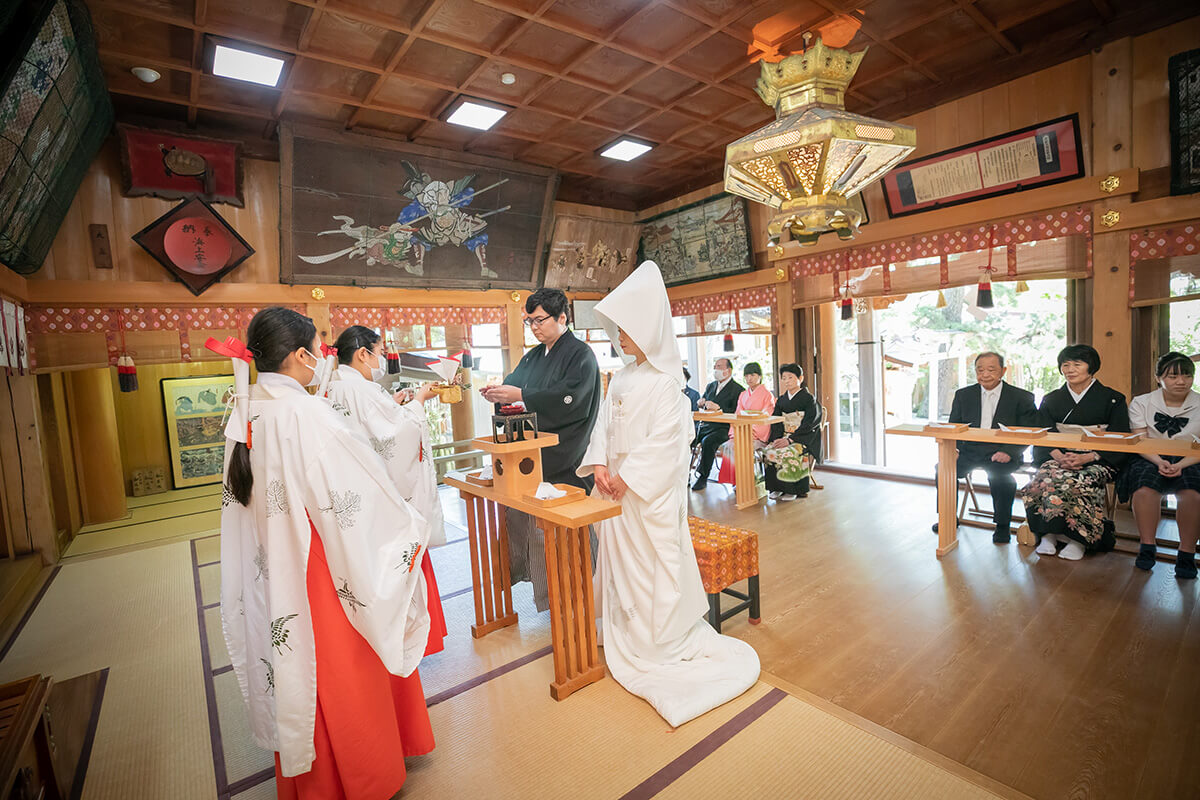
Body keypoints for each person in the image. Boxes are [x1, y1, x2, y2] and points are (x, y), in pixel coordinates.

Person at [214, 308, 433, 798]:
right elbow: (358, 489)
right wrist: (404, 522)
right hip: (319, 565)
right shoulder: (306, 413)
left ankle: (314, 783)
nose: (324, 357)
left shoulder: (247, 408)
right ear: (299, 356)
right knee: (342, 672)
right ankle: (364, 776)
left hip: (273, 563)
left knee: (295, 671)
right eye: (319, 347)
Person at [578, 261, 760, 726]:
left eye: (629, 329)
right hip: (614, 492)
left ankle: (657, 640)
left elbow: (668, 444)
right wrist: (600, 464)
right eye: (618, 330)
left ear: (650, 329)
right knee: (618, 567)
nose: (621, 338)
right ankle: (625, 630)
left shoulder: (667, 384)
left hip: (645, 497)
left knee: (653, 566)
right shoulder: (619, 378)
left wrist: (628, 477)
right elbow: (603, 426)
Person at [325, 324, 448, 654]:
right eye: (380, 353)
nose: (382, 360)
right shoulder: (363, 390)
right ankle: (408, 637)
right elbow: (396, 436)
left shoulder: (335, 387)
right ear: (363, 354)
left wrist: (392, 403)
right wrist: (419, 400)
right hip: (381, 495)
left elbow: (371, 427)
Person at [479, 288, 601, 612]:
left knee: (562, 527)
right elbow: (516, 384)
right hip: (531, 453)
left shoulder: (581, 355)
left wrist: (520, 393)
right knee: (524, 522)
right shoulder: (534, 356)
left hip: (564, 451)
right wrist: (498, 393)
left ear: (562, 317)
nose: (534, 327)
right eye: (529, 321)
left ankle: (577, 590)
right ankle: (545, 586)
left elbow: (569, 401)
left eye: (540, 320)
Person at [1024, 344, 1130, 560]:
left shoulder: (1113, 399)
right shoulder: (1052, 399)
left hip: (1098, 457)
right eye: (1065, 365)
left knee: (1076, 481)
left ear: (1091, 367)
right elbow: (1043, 433)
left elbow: (1120, 436)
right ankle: (1049, 535)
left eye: (1077, 364)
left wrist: (1088, 456)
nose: (1070, 369)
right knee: (1045, 478)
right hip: (1059, 456)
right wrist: (1059, 456)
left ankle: (1078, 540)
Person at [932, 352, 1038, 543]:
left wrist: (1009, 451)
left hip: (1002, 451)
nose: (985, 374)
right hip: (969, 450)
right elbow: (953, 426)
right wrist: (952, 449)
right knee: (943, 468)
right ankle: (947, 517)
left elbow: (1028, 431)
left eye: (991, 369)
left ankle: (1002, 525)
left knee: (1002, 477)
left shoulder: (1021, 397)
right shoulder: (964, 395)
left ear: (1003, 371)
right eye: (980, 370)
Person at [1117, 352, 1200, 578]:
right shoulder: (1142, 402)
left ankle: (1186, 553)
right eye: (1172, 377)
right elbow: (1140, 441)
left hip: (1192, 458)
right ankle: (1147, 546)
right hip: (1150, 455)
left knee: (1192, 494)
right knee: (1144, 490)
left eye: (1187, 375)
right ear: (1158, 378)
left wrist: (1182, 464)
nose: (1181, 381)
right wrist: (1160, 460)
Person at [765, 363, 822, 501]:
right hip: (784, 435)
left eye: (791, 377)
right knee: (769, 451)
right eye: (784, 378)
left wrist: (790, 439)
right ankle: (777, 488)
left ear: (800, 378)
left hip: (802, 437)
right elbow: (777, 421)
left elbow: (810, 423)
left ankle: (794, 490)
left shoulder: (809, 399)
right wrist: (777, 438)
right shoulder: (781, 400)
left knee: (790, 451)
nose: (787, 381)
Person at [691, 357, 743, 490]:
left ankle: (703, 477)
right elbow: (706, 404)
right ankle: (683, 474)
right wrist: (701, 403)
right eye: (715, 366)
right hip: (707, 424)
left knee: (708, 441)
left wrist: (719, 409)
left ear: (728, 370)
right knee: (688, 435)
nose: (716, 370)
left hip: (724, 428)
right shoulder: (711, 386)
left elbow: (736, 412)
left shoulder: (738, 390)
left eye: (719, 367)